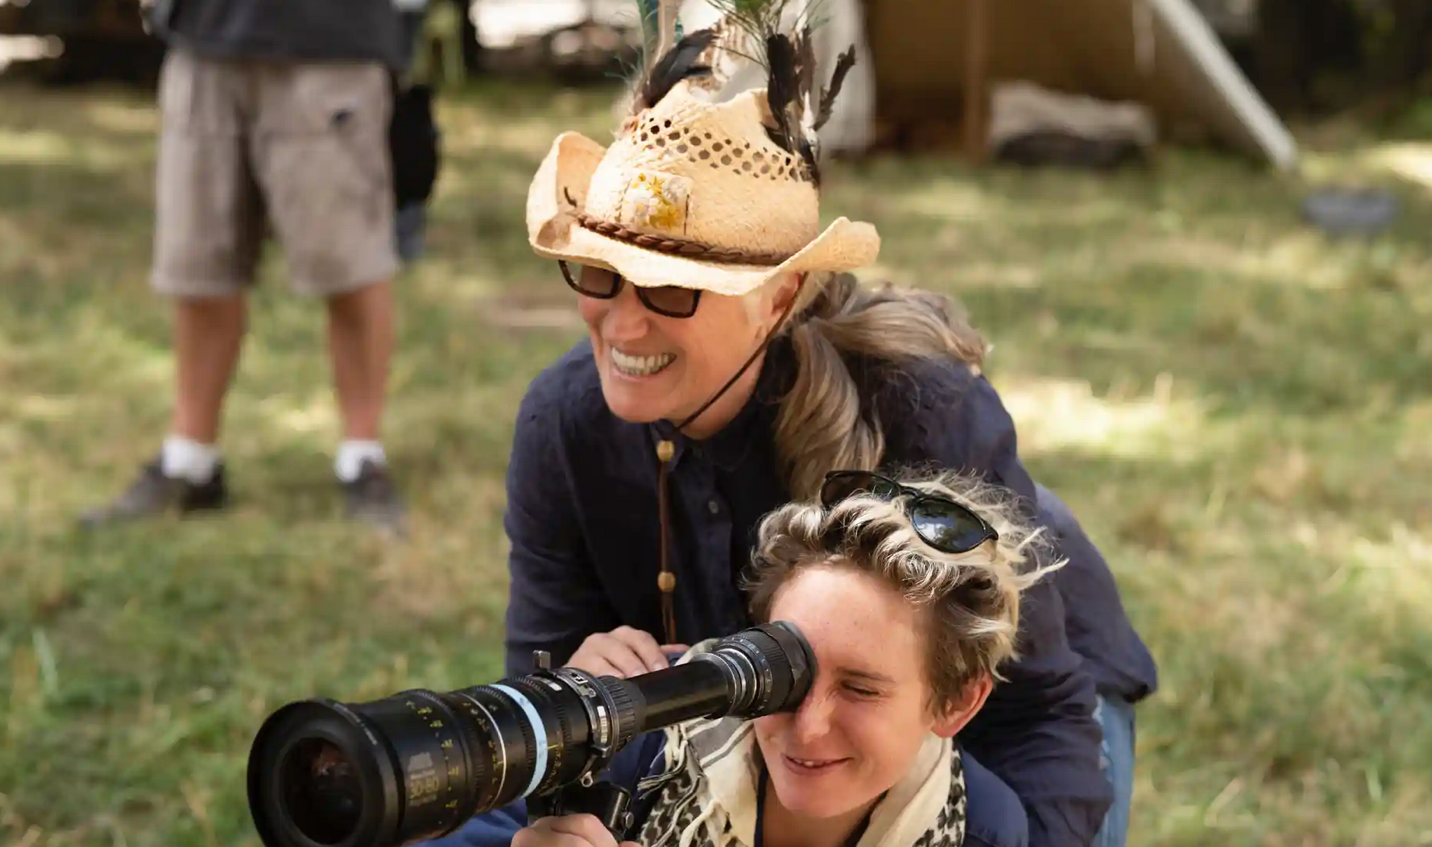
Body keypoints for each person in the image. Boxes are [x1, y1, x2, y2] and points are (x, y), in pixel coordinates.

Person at [497, 14, 1156, 847]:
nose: (621, 324)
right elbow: (536, 707)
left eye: (671, 289)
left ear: (779, 297)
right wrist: (570, 746)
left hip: (1004, 712)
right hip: (780, 739)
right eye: (599, 271)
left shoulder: (922, 410)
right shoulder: (563, 422)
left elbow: (1036, 713)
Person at [447, 469, 1059, 847]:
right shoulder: (649, 728)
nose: (809, 725)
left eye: (861, 689)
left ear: (955, 701)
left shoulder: (975, 827)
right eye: (786, 671)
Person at [79, 0, 409, 533]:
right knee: (197, 267)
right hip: (201, 38)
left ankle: (362, 456)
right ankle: (190, 460)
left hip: (332, 41)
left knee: (348, 264)